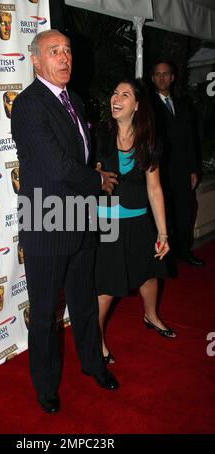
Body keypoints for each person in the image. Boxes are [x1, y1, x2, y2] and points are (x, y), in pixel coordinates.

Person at [11, 29, 119, 414]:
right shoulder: (27, 105)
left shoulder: (74, 99)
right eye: (54, 51)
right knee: (43, 314)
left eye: (68, 51)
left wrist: (94, 169)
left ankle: (93, 364)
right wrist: (98, 180)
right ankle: (46, 386)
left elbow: (79, 155)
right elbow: (55, 167)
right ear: (36, 61)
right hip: (46, 223)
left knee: (84, 302)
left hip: (80, 219)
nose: (64, 58)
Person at [95, 78, 176, 363]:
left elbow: (154, 188)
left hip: (139, 220)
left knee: (149, 276)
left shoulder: (147, 141)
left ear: (137, 105)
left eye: (125, 95)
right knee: (104, 289)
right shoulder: (99, 135)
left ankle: (151, 316)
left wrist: (163, 233)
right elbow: (85, 174)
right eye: (115, 93)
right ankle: (98, 342)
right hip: (107, 225)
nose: (116, 98)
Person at [150, 61, 205, 267]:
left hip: (182, 170)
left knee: (186, 211)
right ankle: (167, 257)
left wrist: (193, 169)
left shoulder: (183, 104)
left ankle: (185, 252)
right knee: (166, 214)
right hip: (159, 172)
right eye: (158, 74)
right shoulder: (148, 106)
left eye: (166, 74)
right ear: (153, 78)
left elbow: (191, 139)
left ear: (173, 78)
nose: (162, 78)